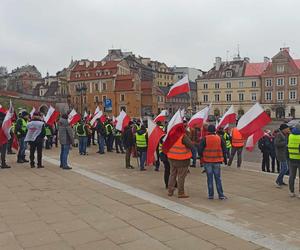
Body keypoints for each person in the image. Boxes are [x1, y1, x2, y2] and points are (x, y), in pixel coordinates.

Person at [199, 124, 227, 200]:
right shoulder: (219, 138)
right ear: (215, 130)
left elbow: (200, 150)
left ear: (208, 131)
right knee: (218, 178)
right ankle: (221, 195)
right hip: (217, 161)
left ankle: (210, 195)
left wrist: (203, 156)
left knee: (209, 178)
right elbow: (224, 149)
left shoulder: (205, 139)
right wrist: (224, 159)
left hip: (207, 161)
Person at [167, 128, 193, 198]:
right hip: (182, 159)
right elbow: (191, 145)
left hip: (171, 157)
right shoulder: (183, 136)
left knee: (172, 174)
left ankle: (170, 191)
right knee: (181, 176)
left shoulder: (171, 135)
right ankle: (181, 192)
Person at [287, 122, 300, 197]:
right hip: (299, 159)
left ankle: (291, 191)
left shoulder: (290, 136)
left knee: (292, 176)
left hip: (291, 159)